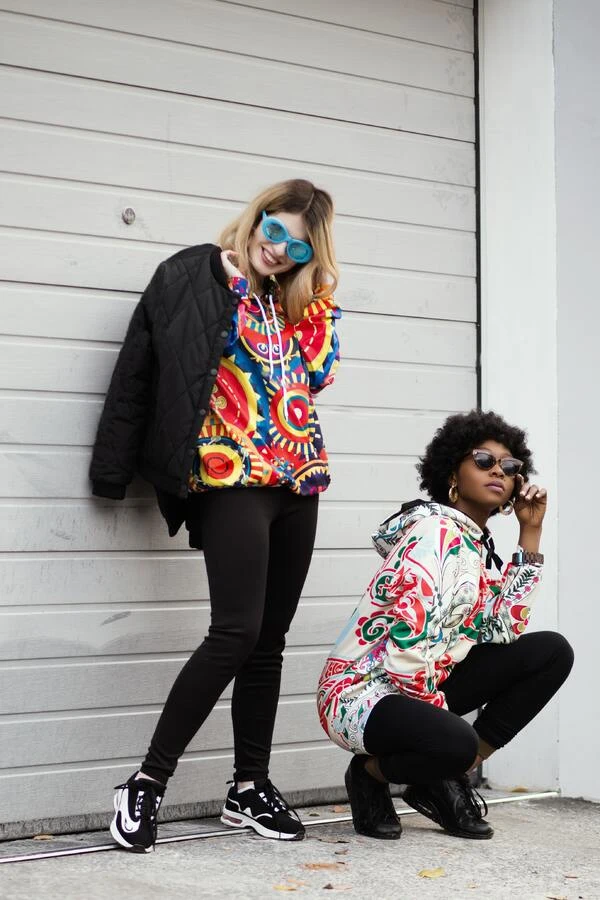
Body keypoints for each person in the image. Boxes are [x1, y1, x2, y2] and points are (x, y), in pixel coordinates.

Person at [90, 179, 341, 851]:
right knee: (235, 631)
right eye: (274, 229)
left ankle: (249, 787)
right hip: (230, 475)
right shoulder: (195, 275)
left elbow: (318, 373)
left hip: (300, 476)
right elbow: (139, 368)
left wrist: (312, 291)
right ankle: (145, 782)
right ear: (256, 217)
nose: (278, 248)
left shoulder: (298, 305)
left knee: (269, 640)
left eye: (298, 246)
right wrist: (113, 467)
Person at [317, 410, 573, 841]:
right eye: (483, 460)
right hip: (361, 693)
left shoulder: (474, 545)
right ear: (453, 474)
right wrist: (443, 738)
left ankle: (444, 773)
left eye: (509, 466)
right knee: (455, 742)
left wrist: (530, 532)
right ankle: (370, 774)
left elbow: (503, 629)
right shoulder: (433, 533)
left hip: (422, 684)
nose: (499, 471)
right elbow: (406, 651)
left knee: (551, 653)